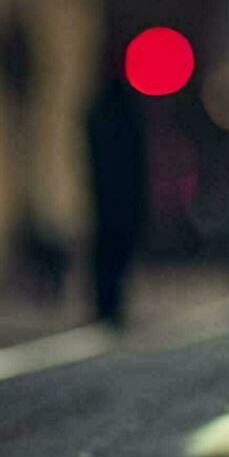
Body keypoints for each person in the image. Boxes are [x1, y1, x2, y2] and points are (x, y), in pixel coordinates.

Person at [85, 59, 147, 324]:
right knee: (117, 253)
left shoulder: (98, 116)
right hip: (122, 201)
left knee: (105, 253)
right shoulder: (130, 119)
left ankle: (106, 304)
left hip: (105, 200)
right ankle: (112, 304)